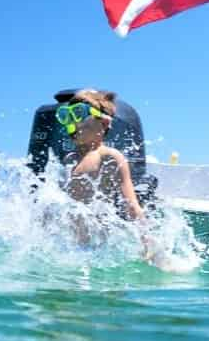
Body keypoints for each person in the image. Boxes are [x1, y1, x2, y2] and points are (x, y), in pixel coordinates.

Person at [57, 89, 145, 238]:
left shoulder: (110, 157)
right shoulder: (69, 160)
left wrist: (147, 241)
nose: (72, 121)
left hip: (97, 245)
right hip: (72, 247)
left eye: (78, 113)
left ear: (104, 122)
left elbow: (132, 206)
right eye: (66, 116)